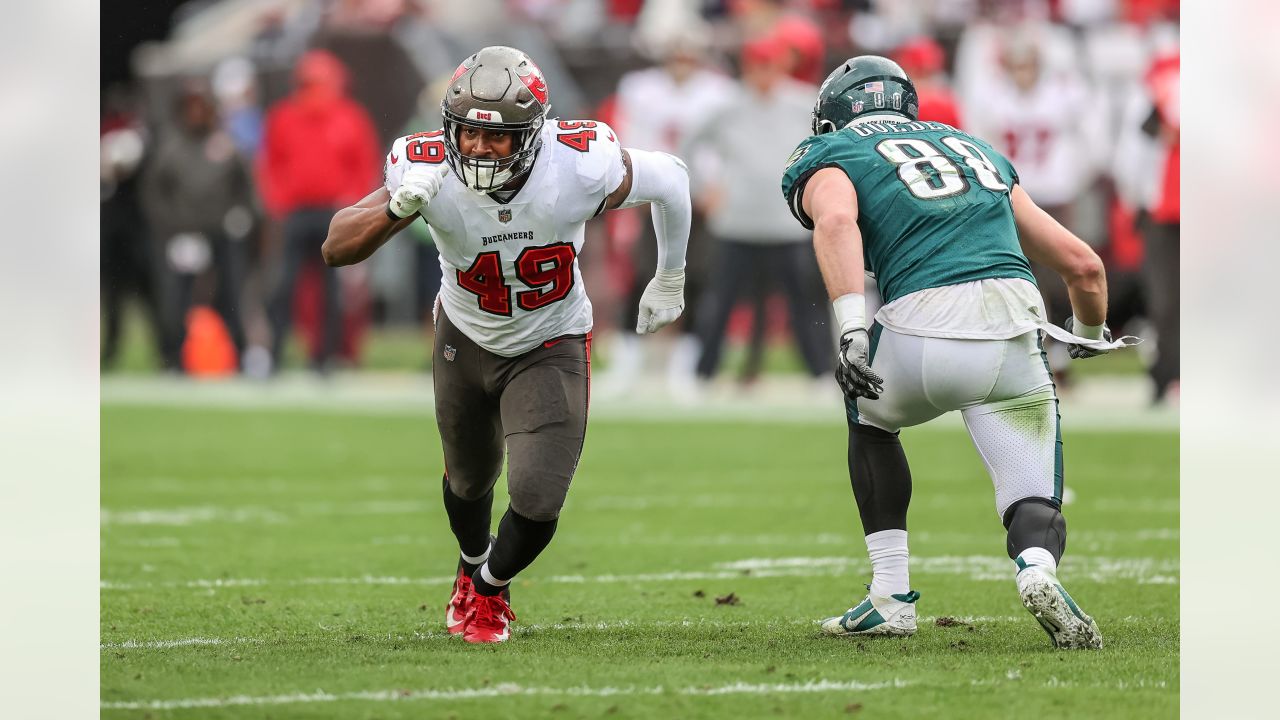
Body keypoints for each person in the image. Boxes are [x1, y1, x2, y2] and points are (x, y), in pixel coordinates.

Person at [321, 46, 691, 643]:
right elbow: (336, 247)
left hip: (550, 338)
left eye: (498, 138)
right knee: (469, 480)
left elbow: (671, 179)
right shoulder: (425, 167)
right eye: (467, 133)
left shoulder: (578, 162)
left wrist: (669, 274)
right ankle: (471, 566)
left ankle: (489, 591)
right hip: (464, 337)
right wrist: (396, 207)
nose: (477, 148)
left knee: (539, 496)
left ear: (534, 134)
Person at [781, 56, 1136, 649]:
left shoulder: (832, 152)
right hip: (1014, 328)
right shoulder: (975, 150)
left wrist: (850, 331)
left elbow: (837, 220)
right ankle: (1036, 570)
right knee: (1030, 488)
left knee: (868, 418)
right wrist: (1090, 336)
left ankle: (890, 596)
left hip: (921, 325)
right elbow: (1086, 266)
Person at [684, 36, 831, 387]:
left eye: (771, 66)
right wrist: (703, 189)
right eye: (758, 66)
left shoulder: (803, 103)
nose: (765, 74)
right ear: (747, 68)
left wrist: (817, 192)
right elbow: (687, 146)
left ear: (782, 66)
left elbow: (829, 146)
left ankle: (822, 374)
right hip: (737, 222)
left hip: (787, 222)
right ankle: (702, 374)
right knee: (719, 301)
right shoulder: (727, 105)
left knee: (806, 303)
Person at [258, 49, 380, 374]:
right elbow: (270, 163)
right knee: (284, 285)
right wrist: (280, 200)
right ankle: (275, 355)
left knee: (332, 290)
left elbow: (363, 165)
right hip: (297, 212)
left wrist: (352, 202)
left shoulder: (349, 117)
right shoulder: (283, 116)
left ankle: (324, 358)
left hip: (333, 213)